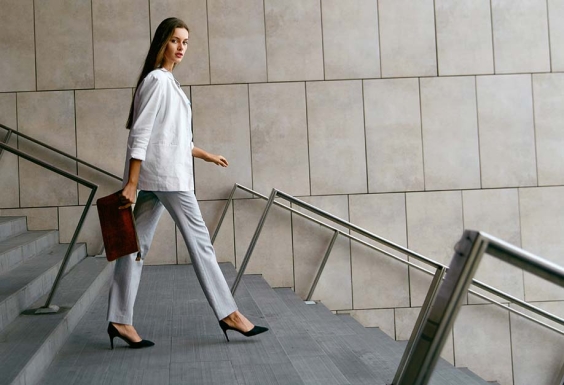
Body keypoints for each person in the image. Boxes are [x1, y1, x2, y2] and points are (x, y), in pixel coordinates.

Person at [106, 17, 268, 349]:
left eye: (185, 42)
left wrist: (206, 155)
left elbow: (173, 138)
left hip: (161, 175)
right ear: (162, 42)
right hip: (166, 179)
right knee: (201, 244)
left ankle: (119, 320)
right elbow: (141, 134)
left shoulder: (167, 83)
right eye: (175, 40)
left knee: (134, 248)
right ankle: (229, 313)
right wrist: (132, 184)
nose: (181, 48)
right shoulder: (157, 81)